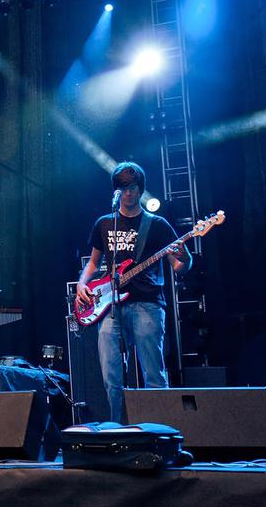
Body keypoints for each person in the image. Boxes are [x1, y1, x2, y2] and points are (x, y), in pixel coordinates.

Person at [75, 162, 191, 423]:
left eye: (133, 187)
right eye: (123, 188)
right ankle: (118, 429)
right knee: (111, 376)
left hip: (147, 304)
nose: (128, 193)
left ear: (141, 189)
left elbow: (179, 267)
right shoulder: (104, 223)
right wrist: (82, 284)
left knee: (153, 373)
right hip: (110, 306)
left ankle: (159, 429)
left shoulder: (157, 225)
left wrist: (185, 257)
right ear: (116, 190)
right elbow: (93, 263)